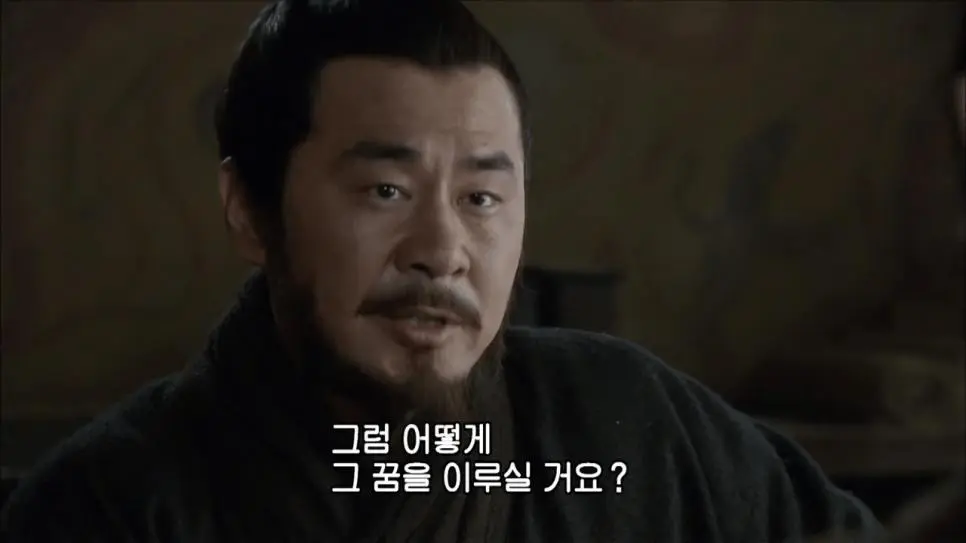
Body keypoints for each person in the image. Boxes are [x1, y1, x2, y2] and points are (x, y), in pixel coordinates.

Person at [1, 1, 886, 541]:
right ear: (249, 211)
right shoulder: (111, 502)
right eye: (385, 190)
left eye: (482, 197)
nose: (442, 248)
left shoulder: (629, 426)